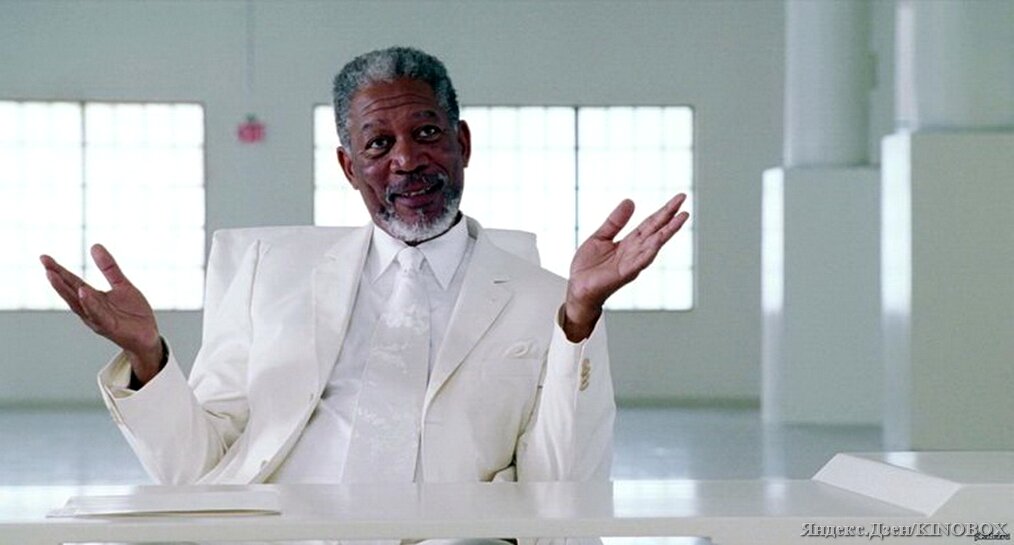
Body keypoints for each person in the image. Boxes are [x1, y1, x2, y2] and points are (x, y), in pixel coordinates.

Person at [40, 46, 689, 486]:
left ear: (461, 143)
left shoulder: (547, 301)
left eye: (427, 133)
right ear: (349, 167)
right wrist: (148, 357)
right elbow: (195, 466)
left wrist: (579, 317)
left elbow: (563, 484)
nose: (406, 160)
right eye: (379, 143)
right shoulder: (271, 280)